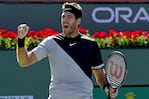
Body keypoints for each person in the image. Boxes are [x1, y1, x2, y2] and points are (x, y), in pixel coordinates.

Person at [16, 2, 118, 99]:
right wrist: (21, 40)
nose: (65, 20)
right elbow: (24, 61)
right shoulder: (51, 42)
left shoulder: (90, 45)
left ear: (78, 21)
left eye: (69, 17)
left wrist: (107, 89)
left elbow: (100, 77)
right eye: (63, 17)